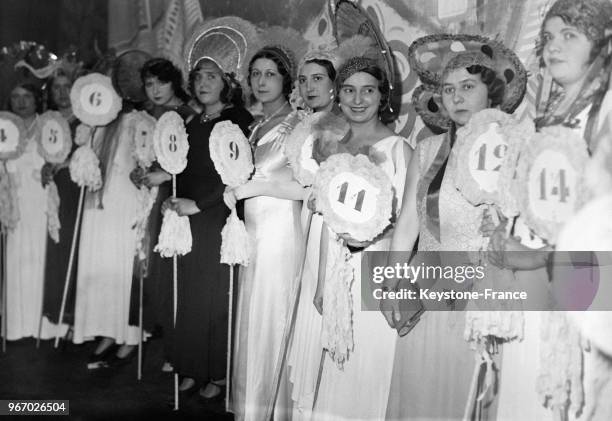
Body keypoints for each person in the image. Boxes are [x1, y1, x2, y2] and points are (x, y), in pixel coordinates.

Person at [383, 34, 527, 420]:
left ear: (491, 93)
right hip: (425, 287)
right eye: (448, 89)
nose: (456, 97)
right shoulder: (428, 148)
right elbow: (409, 223)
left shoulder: (511, 146)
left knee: (463, 396)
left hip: (479, 292)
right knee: (418, 394)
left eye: (468, 87)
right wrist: (391, 283)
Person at [483, 1, 612, 419]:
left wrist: (539, 257)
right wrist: (505, 234)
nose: (553, 47)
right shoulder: (541, 117)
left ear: (601, 45)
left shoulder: (605, 115)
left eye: (570, 35)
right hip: (533, 286)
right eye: (549, 37)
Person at [311, 56, 414, 421]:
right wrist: (323, 280)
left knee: (369, 364)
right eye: (349, 91)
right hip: (336, 268)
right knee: (336, 365)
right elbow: (328, 220)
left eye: (368, 90)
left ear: (383, 96)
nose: (358, 99)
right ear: (337, 96)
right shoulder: (332, 146)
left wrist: (367, 240)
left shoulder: (399, 150)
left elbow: (405, 223)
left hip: (375, 267)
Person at [165, 55, 252, 400]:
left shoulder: (238, 120)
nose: (203, 83)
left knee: (215, 297)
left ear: (227, 82)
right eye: (199, 77)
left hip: (217, 214)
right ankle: (191, 365)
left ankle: (216, 372)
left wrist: (199, 205)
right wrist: (173, 197)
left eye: (212, 76)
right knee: (189, 296)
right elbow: (183, 167)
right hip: (189, 216)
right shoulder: (192, 121)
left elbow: (237, 175)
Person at [227, 44, 305, 421]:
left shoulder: (300, 126)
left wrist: (255, 188)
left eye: (270, 74)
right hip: (252, 233)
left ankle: (275, 411)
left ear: (286, 81)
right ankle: (252, 408)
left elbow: (307, 188)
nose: (261, 81)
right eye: (255, 74)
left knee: (272, 313)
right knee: (251, 315)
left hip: (280, 234)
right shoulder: (255, 126)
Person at [286, 45, 345, 420]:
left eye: (318, 79)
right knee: (305, 297)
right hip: (303, 220)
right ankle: (304, 405)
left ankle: (320, 404)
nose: (310, 87)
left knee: (320, 302)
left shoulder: (340, 125)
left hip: (328, 222)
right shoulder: (303, 123)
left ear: (335, 85)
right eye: (304, 80)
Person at [127, 57, 195, 373]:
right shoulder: (148, 117)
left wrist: (165, 176)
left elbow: (194, 163)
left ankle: (179, 348)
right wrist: (142, 174)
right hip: (152, 201)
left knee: (174, 273)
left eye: (161, 82)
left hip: (179, 198)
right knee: (153, 272)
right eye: (149, 84)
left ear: (175, 82)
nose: (155, 90)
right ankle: (165, 340)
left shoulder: (188, 115)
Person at [5, 82, 65, 340]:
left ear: (37, 99)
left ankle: (45, 326)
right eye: (15, 96)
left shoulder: (49, 125)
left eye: (26, 96)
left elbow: (59, 159)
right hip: (14, 202)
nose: (21, 102)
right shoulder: (5, 128)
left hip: (41, 200)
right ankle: (17, 326)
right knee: (16, 260)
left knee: (41, 259)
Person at [41, 71, 83, 336]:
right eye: (56, 87)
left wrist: (66, 163)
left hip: (77, 190)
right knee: (57, 249)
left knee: (74, 247)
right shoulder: (50, 121)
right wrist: (48, 166)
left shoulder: (88, 119)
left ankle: (77, 318)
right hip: (56, 191)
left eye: (67, 86)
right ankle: (59, 316)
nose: (61, 92)